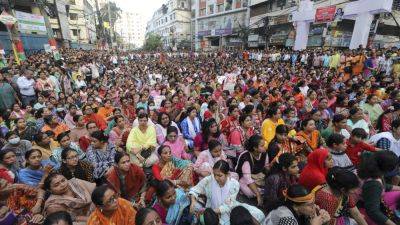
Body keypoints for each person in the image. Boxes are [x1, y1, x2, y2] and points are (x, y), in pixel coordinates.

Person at [189, 160, 266, 225]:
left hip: (230, 209)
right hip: (212, 208)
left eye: (219, 175)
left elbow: (228, 205)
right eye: (214, 174)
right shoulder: (209, 180)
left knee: (259, 214)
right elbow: (195, 189)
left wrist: (212, 212)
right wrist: (193, 201)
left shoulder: (234, 184)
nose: (216, 178)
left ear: (227, 174)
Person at [358, 151, 400, 225]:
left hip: (371, 201)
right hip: (363, 209)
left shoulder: (371, 169)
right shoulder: (374, 183)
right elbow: (373, 211)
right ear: (388, 168)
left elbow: (383, 186)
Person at [265, 184, 331, 225]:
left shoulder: (299, 211)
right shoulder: (287, 218)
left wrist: (323, 221)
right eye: (310, 205)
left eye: (314, 203)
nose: (314, 207)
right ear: (295, 206)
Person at [235, 134, 268, 204]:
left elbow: (266, 167)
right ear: (255, 148)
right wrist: (258, 194)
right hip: (244, 178)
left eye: (264, 145)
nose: (265, 147)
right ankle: (242, 189)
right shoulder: (245, 157)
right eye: (262, 146)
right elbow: (248, 178)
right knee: (250, 193)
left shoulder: (264, 154)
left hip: (257, 176)